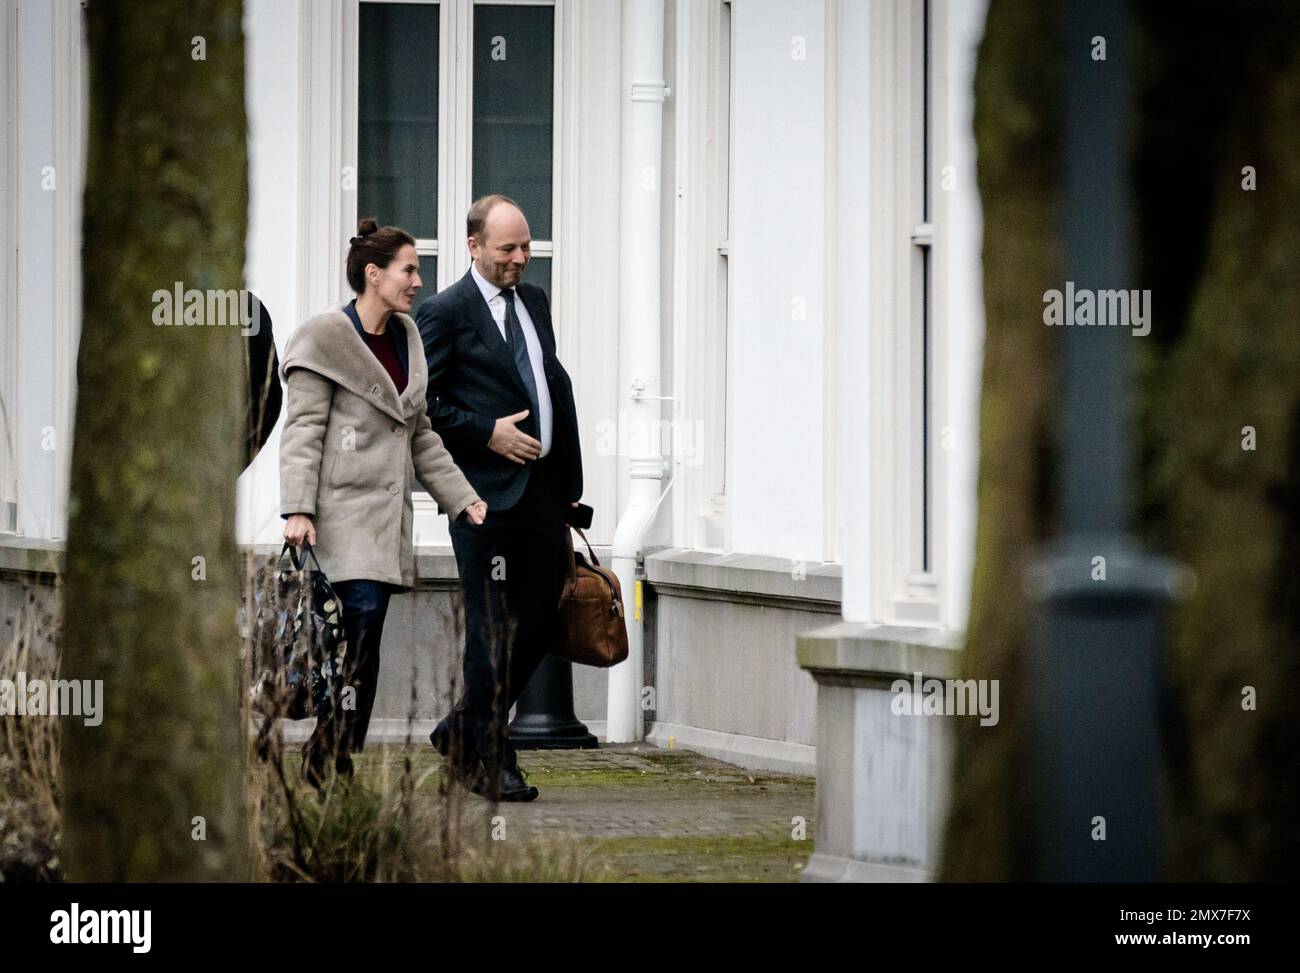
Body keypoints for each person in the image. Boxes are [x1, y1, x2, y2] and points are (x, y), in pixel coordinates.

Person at [280, 218, 487, 789]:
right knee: (358, 623)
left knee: (363, 645)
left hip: (386, 525)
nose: (419, 281)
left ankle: (334, 753)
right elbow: (302, 430)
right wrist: (298, 508)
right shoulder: (324, 337)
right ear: (374, 274)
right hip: (335, 522)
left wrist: (463, 498)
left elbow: (420, 434)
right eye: (409, 269)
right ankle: (329, 752)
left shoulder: (408, 338)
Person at [416, 195, 584, 802]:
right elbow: (424, 405)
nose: (520, 259)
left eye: (525, 247)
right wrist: (488, 431)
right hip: (481, 498)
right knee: (489, 630)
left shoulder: (534, 302)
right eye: (507, 249)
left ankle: (463, 729)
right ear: (474, 246)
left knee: (542, 618)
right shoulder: (444, 312)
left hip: (541, 493)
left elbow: (550, 384)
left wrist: (568, 488)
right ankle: (490, 756)